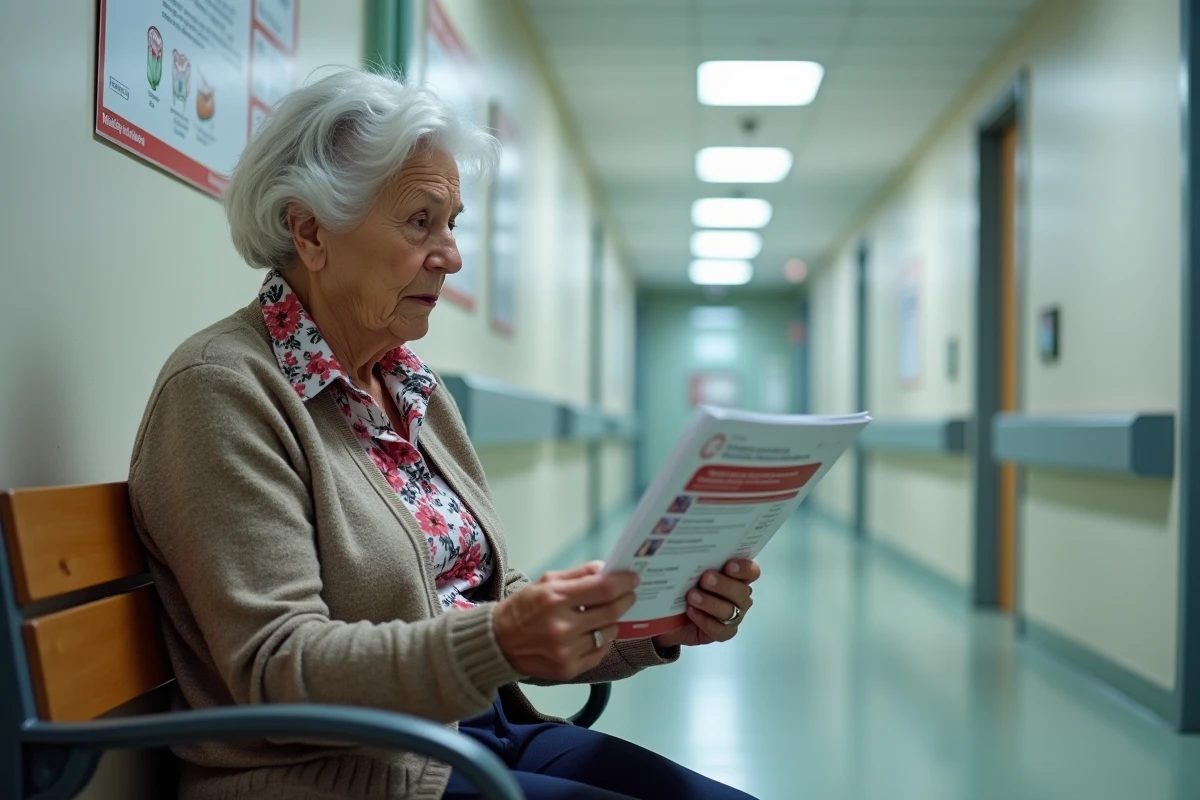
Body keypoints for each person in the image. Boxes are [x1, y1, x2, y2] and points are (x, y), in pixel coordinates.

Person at [129, 67, 761, 800]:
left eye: (452, 222)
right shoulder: (223, 391)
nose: (451, 255)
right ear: (309, 230)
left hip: (476, 736)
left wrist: (650, 621)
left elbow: (480, 602)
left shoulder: (406, 384)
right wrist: (496, 642)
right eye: (420, 221)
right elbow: (280, 666)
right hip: (343, 776)